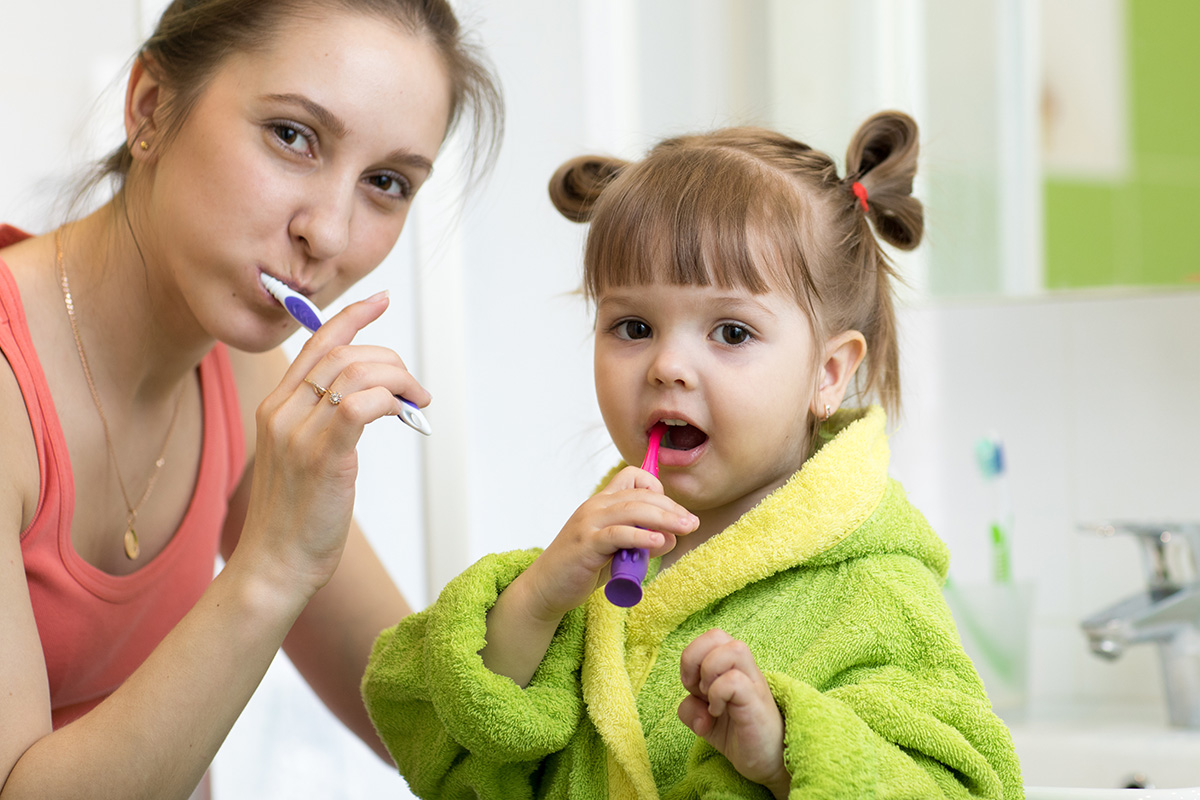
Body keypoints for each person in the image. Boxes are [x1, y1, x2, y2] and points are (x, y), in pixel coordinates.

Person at [362, 112, 1024, 798]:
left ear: (828, 374)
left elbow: (964, 785)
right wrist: (533, 604)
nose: (668, 364)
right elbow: (442, 749)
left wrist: (783, 753)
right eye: (634, 326)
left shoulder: (876, 594)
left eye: (731, 332)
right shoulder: (585, 577)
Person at [0, 0, 502, 797]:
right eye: (292, 136)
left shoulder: (239, 372)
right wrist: (273, 565)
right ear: (151, 109)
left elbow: (425, 718)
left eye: (385, 182)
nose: (329, 234)